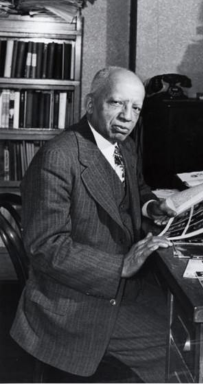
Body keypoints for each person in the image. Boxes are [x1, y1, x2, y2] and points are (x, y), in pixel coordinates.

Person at [10, 66, 176, 383]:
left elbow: (136, 189)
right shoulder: (58, 157)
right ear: (90, 104)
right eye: (117, 103)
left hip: (122, 288)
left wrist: (151, 206)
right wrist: (120, 267)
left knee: (187, 321)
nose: (128, 116)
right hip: (72, 301)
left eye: (136, 108)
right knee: (181, 345)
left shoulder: (123, 145)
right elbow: (45, 247)